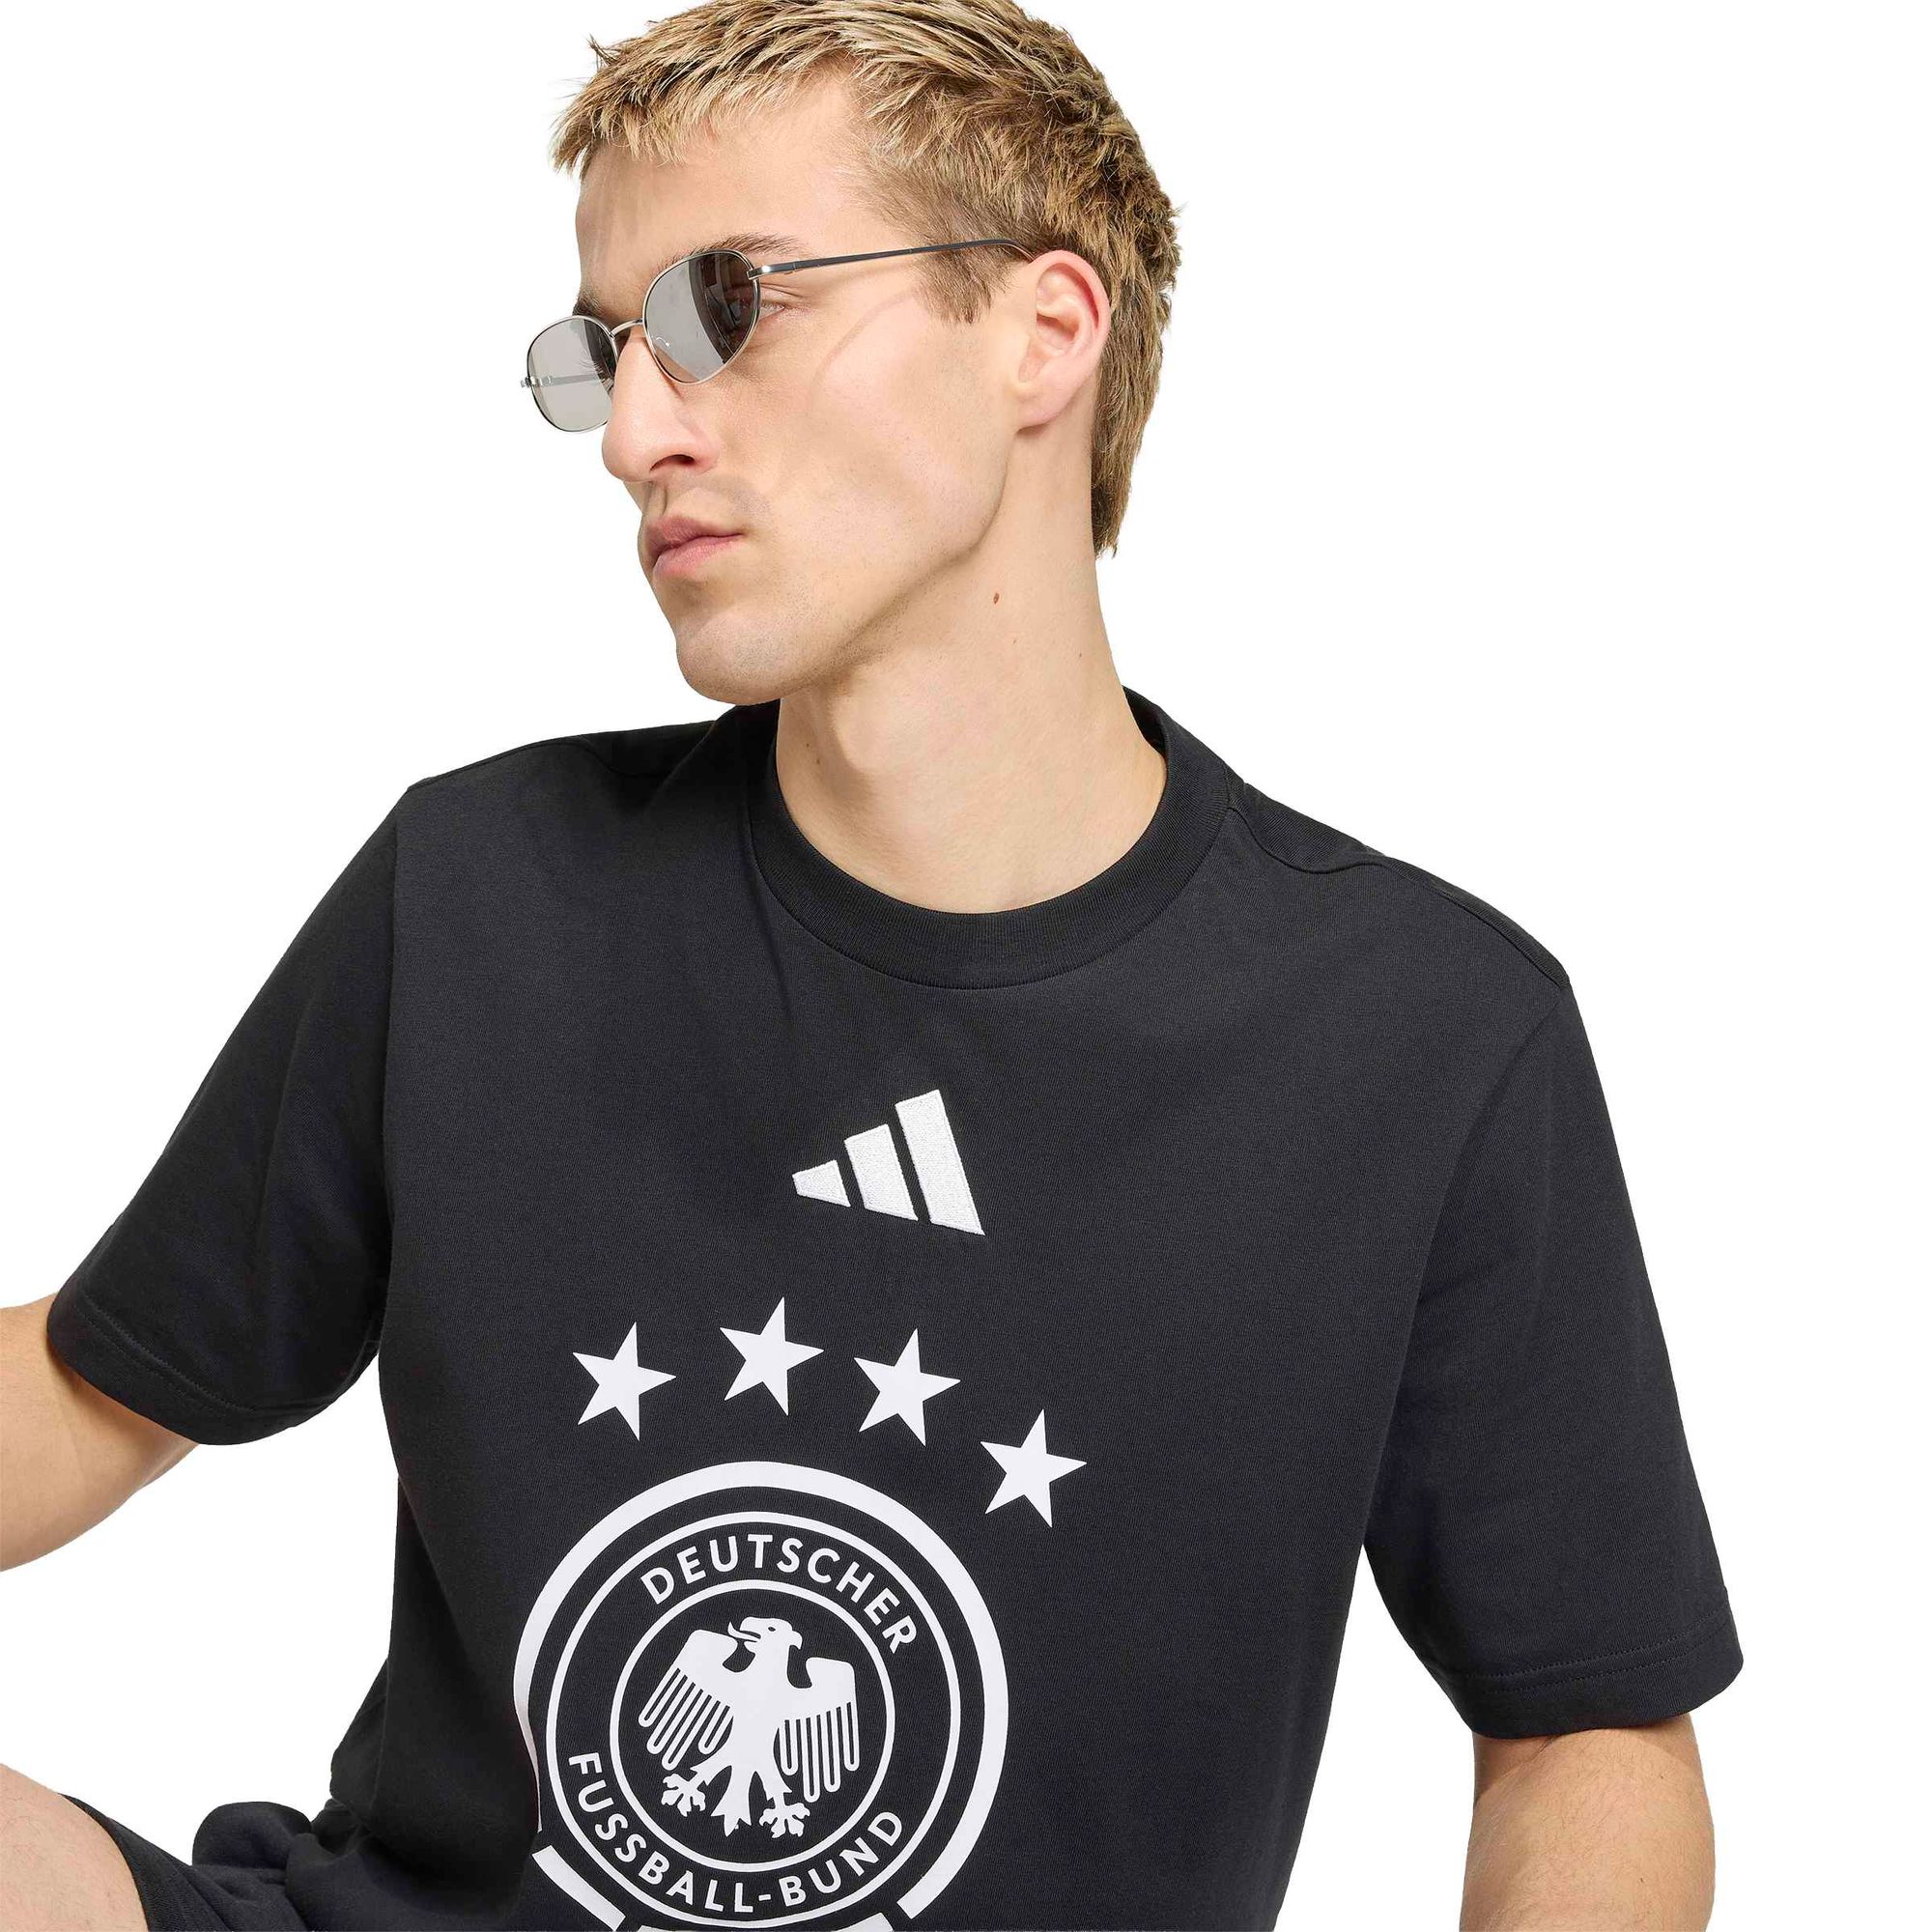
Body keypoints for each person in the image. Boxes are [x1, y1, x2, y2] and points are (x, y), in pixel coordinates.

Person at [1, 3, 1743, 1927]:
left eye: (724, 306)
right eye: (606, 349)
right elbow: (92, 1397)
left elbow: (1587, 1733)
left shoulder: (1421, 1040)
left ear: (1041, 334)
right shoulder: (479, 894)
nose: (638, 433)